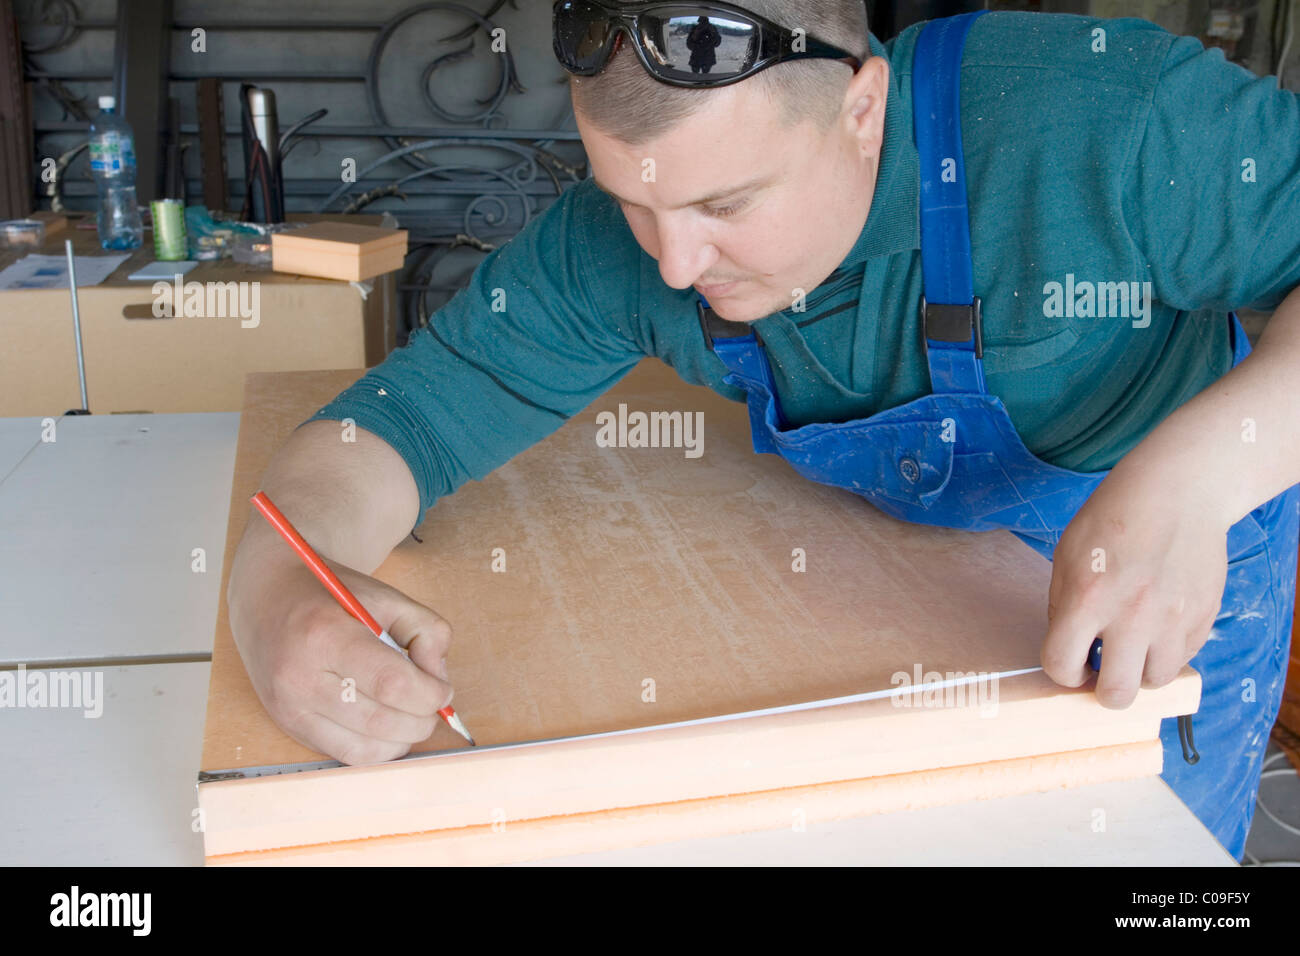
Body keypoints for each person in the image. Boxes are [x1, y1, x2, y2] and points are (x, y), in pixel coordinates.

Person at [227, 0, 1300, 860]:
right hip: (911, 596)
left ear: (863, 108)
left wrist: (1194, 480)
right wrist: (276, 584)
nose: (674, 264)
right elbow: (396, 423)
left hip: (1177, 561)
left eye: (727, 205)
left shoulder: (1106, 111)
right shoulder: (622, 241)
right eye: (635, 203)